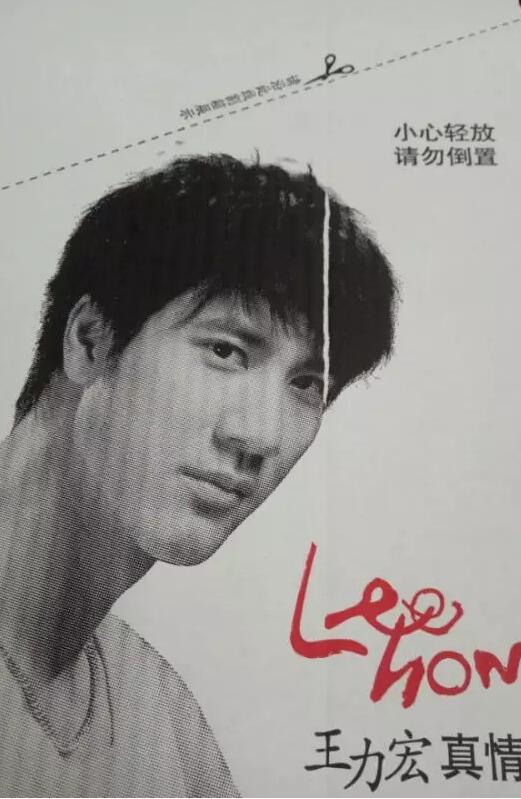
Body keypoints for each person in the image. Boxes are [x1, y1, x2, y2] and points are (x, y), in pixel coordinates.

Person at [0, 154, 397, 796]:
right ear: (91, 340)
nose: (260, 437)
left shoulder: (161, 723)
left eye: (306, 385)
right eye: (225, 351)